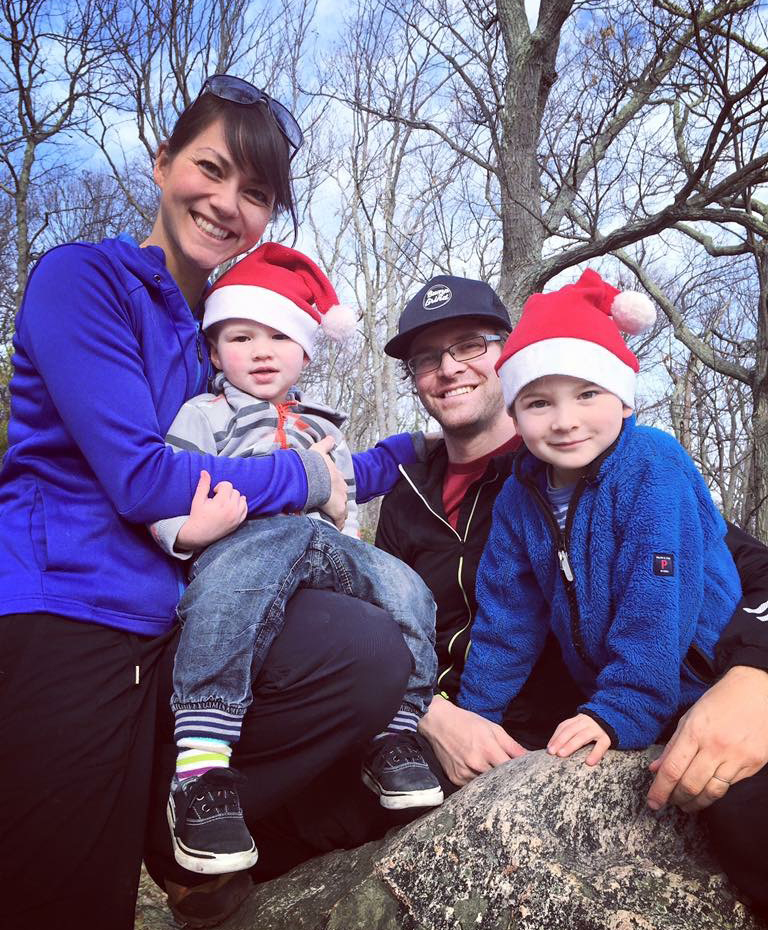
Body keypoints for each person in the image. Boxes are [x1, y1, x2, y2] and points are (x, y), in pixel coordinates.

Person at [0, 74, 422, 930]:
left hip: (180, 626)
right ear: (162, 163)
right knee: (67, 900)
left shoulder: (220, 350)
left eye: (257, 194)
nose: (228, 203)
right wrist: (310, 480)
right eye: (212, 168)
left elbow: (321, 465)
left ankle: (190, 810)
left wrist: (412, 451)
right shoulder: (83, 281)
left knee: (370, 652)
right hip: (74, 609)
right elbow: (147, 479)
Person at [240, 273, 768, 921]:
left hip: (562, 722)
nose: (448, 369)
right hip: (433, 718)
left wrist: (753, 677)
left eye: (470, 344)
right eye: (425, 359)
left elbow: (730, 572)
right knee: (287, 816)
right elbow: (455, 621)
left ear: (507, 354)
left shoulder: (612, 459)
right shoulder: (413, 486)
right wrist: (437, 714)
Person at [154, 243, 442, 876]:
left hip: (325, 548)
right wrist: (186, 531)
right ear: (212, 350)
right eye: (241, 336)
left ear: (307, 351)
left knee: (407, 587)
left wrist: (416, 447)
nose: (262, 351)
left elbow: (352, 486)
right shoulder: (203, 414)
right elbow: (164, 483)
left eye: (281, 337)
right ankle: (202, 763)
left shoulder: (323, 427)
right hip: (242, 545)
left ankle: (395, 732)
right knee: (235, 588)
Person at [455, 269, 742, 764]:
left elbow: (657, 597)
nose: (565, 421)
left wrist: (622, 708)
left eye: (587, 394)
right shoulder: (519, 497)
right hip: (610, 693)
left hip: (704, 685)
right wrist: (477, 714)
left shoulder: (653, 464)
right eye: (539, 402)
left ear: (624, 398)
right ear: (516, 416)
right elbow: (507, 616)